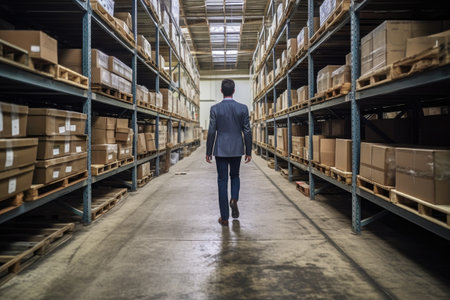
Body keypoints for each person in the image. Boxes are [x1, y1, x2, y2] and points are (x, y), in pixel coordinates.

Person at [206, 79, 252, 226]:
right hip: (237, 148)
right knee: (235, 175)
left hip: (220, 149)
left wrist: (208, 151)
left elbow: (212, 131)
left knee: (222, 181)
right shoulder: (243, 108)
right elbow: (247, 131)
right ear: (233, 91)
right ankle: (234, 199)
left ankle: (224, 218)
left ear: (221, 91)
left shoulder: (215, 109)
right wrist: (248, 151)